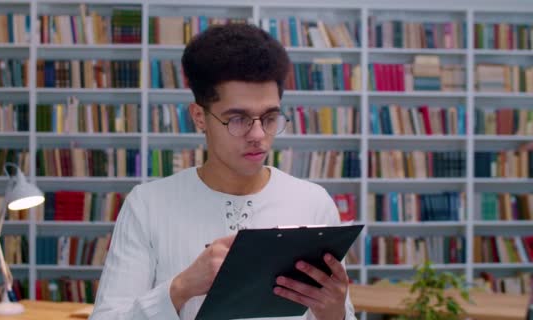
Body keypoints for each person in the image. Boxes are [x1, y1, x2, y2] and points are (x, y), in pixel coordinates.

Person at [90, 23, 356, 320]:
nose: (257, 134)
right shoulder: (147, 205)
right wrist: (180, 288)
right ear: (199, 117)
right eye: (238, 119)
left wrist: (335, 312)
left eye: (269, 117)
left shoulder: (312, 202)